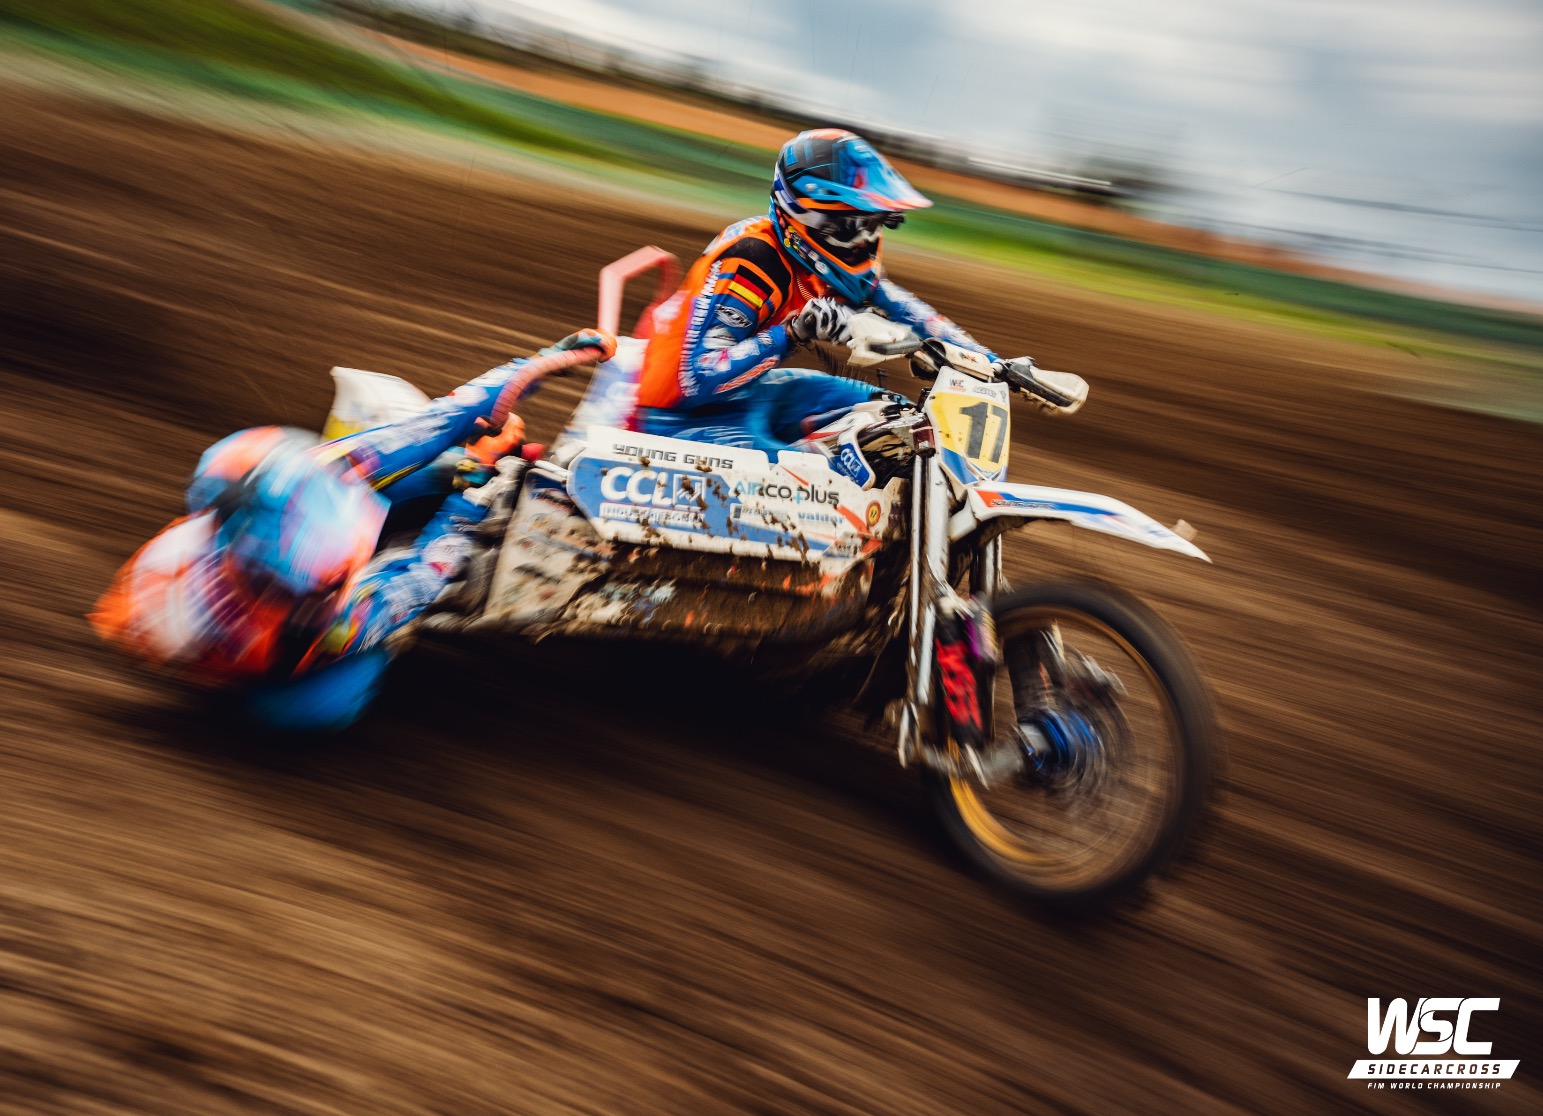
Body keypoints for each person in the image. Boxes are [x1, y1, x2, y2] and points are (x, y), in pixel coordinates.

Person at [91, 329, 615, 730]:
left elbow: (428, 426)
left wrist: (537, 366)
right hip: (277, 663)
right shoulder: (318, 628)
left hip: (253, 588)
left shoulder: (289, 481)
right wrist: (473, 492)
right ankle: (280, 692)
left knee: (419, 462)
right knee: (323, 705)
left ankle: (422, 505)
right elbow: (423, 574)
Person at [633, 128, 995, 454]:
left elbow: (904, 308)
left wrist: (996, 365)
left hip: (750, 393)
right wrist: (793, 332)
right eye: (853, 227)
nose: (864, 241)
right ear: (809, 219)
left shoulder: (820, 264)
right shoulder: (754, 262)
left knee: (900, 416)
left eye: (873, 225)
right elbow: (695, 380)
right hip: (675, 417)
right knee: (814, 475)